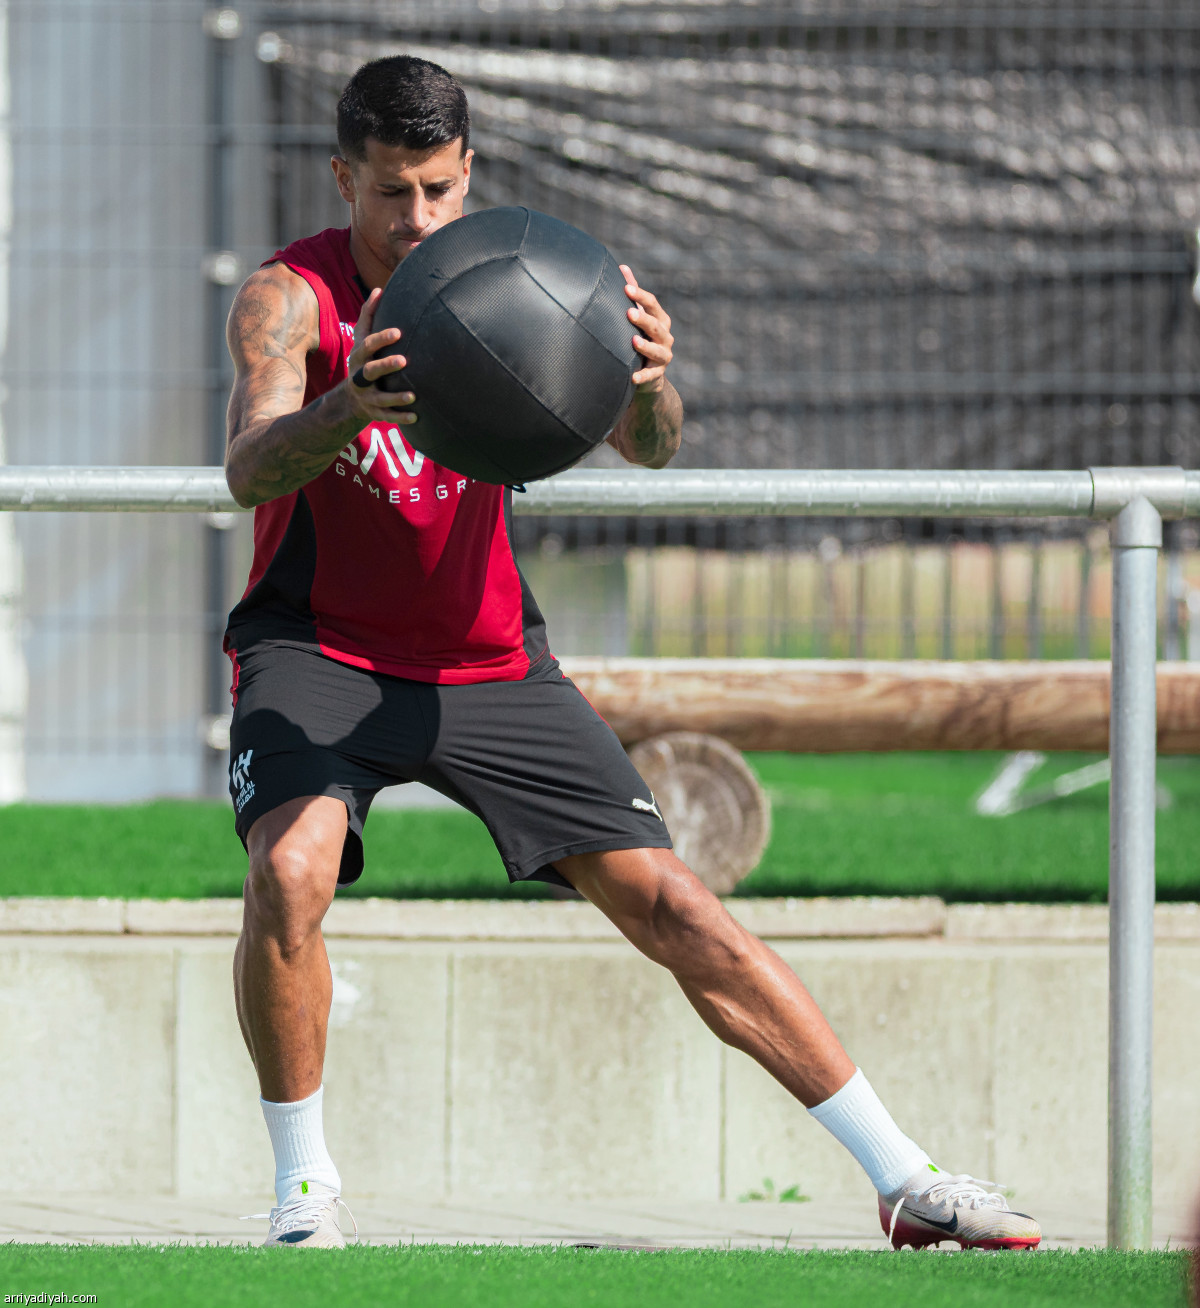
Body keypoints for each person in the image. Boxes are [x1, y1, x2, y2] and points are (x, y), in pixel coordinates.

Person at [222, 54, 1041, 1252]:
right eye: (392, 192)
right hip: (320, 648)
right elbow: (247, 467)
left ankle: (908, 1180)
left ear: (469, 177)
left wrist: (649, 380)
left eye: (441, 190)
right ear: (346, 177)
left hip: (487, 659)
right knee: (291, 871)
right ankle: (305, 1193)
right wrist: (347, 406)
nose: (418, 221)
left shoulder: (529, 277)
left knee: (679, 908)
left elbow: (648, 449)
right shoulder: (289, 298)